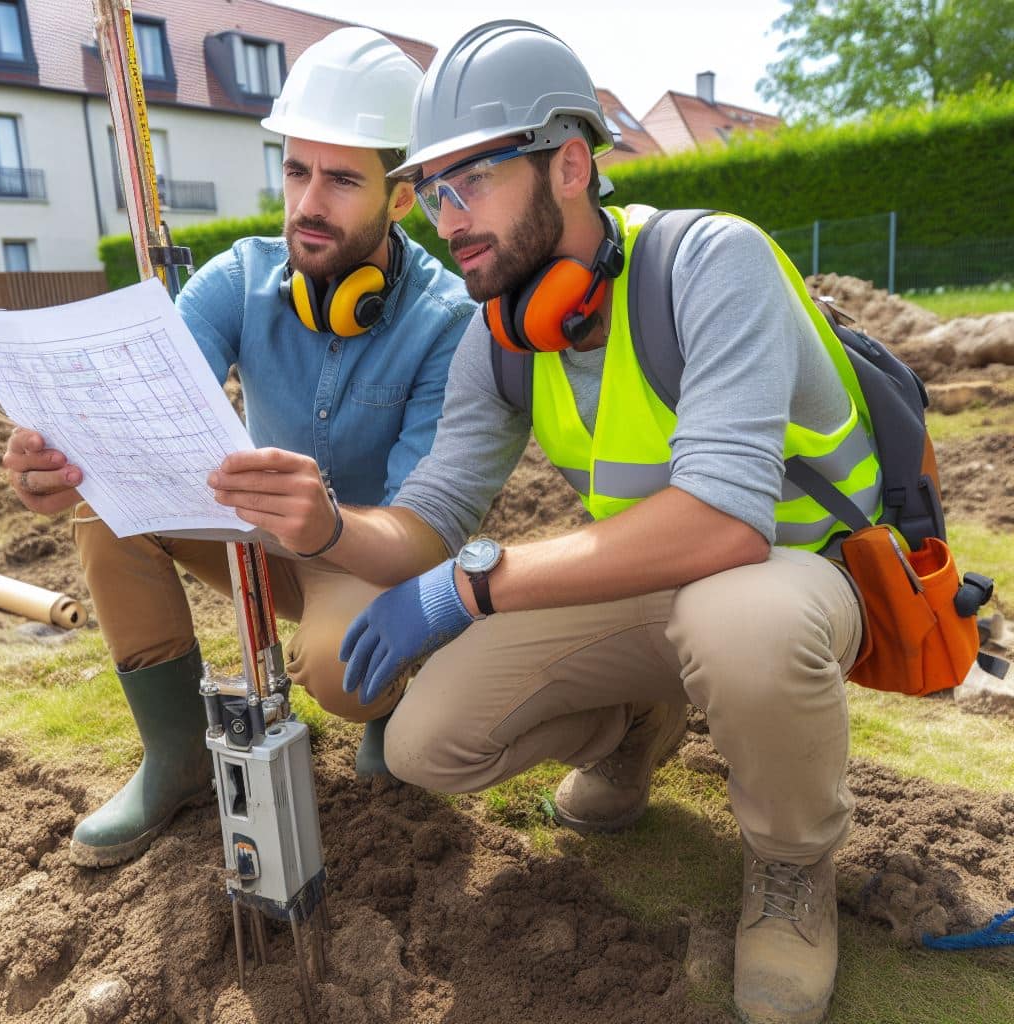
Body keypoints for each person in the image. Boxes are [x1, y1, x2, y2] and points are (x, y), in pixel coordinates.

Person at [210, 20, 869, 1024]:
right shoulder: (508, 330)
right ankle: (634, 727)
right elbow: (432, 511)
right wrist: (328, 528)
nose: (444, 218)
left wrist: (476, 582)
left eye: (467, 182)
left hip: (798, 571)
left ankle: (788, 868)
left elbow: (729, 522)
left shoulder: (712, 263)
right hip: (657, 582)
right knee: (429, 743)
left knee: (743, 619)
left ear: (568, 163)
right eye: (431, 191)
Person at [2, 27, 474, 870]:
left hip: (366, 555)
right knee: (105, 503)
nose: (306, 203)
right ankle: (176, 757)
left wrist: (330, 525)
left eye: (340, 180)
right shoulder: (237, 278)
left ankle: (391, 704)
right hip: (254, 529)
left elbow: (422, 525)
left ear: (402, 196)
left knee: (341, 672)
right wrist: (66, 460)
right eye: (296, 171)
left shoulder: (447, 323)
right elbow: (137, 411)